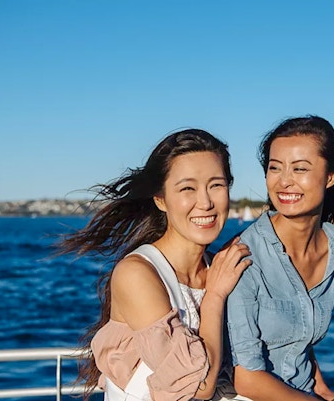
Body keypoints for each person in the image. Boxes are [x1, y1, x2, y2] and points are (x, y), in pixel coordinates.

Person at [58, 129, 251, 400]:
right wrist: (215, 296)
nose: (205, 202)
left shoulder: (219, 268)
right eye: (188, 188)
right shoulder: (137, 273)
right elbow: (200, 386)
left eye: (216, 185)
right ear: (160, 199)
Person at [216, 116, 334, 401]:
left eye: (300, 168)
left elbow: (299, 335)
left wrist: (324, 390)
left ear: (331, 176)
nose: (284, 181)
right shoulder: (245, 256)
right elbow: (247, 378)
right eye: (275, 168)